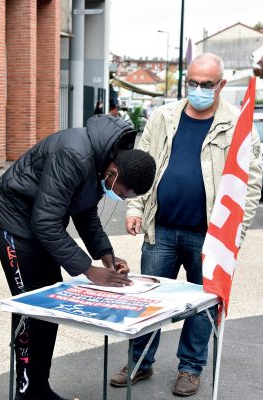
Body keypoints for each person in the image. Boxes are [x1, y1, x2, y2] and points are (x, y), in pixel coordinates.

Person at [110, 53, 262, 397]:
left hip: (208, 236)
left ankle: (190, 369)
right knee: (147, 301)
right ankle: (139, 362)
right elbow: (140, 163)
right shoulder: (163, 117)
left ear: (221, 85)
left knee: (201, 306)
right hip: (160, 228)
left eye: (206, 84)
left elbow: (250, 185)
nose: (197, 89)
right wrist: (134, 207)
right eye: (192, 82)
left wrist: (234, 234)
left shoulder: (239, 126)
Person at [0, 114, 156, 400]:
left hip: (38, 219)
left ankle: (39, 387)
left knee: (50, 297)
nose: (122, 200)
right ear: (113, 174)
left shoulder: (103, 163)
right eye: (123, 195)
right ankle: (26, 392)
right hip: (12, 217)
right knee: (33, 304)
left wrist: (106, 255)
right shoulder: (74, 155)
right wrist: (89, 271)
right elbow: (46, 223)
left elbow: (85, 211)